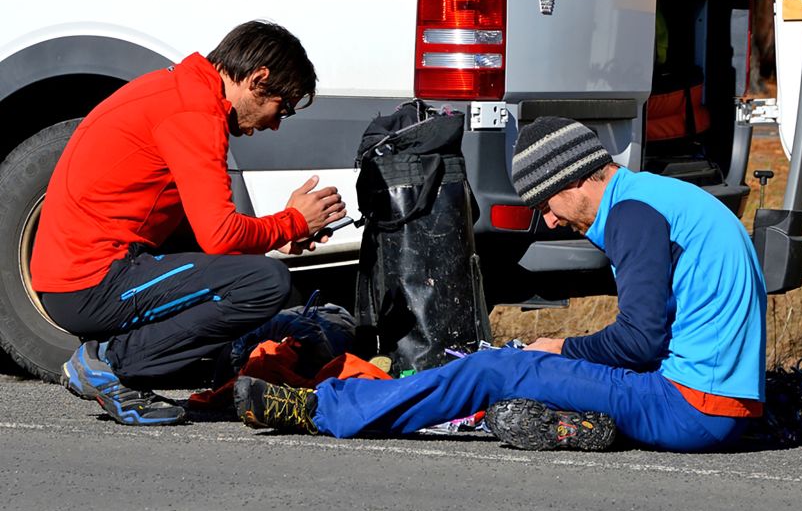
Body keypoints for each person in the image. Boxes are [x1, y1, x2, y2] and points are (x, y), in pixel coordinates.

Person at [234, 116, 766, 452]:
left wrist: (559, 347)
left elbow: (639, 342)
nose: (551, 222)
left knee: (497, 366)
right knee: (526, 366)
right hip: (724, 404)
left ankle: (322, 409)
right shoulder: (662, 198)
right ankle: (569, 421)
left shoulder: (632, 213)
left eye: (546, 205)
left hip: (691, 409)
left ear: (576, 179)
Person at [32, 20, 346, 426]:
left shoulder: (182, 89)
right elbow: (219, 237)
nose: (274, 124)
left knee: (248, 271)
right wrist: (290, 223)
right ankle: (106, 363)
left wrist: (277, 234)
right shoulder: (195, 113)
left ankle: (128, 358)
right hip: (89, 282)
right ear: (258, 79)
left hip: (80, 274)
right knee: (265, 283)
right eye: (280, 108)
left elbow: (208, 227)